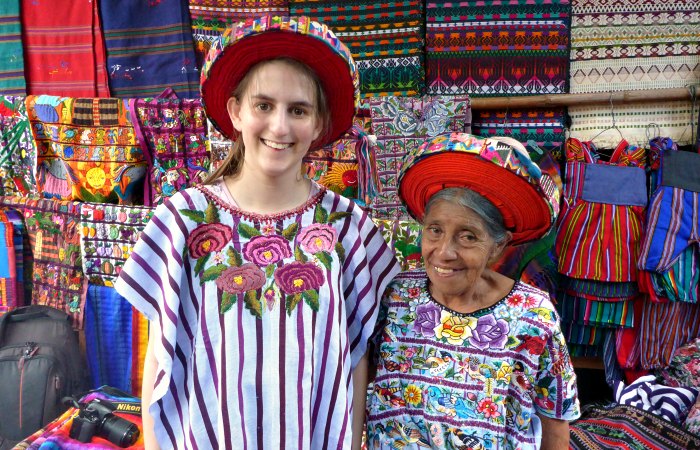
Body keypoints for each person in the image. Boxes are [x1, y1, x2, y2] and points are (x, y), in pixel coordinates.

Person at [115, 16, 400, 449]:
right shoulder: (183, 221)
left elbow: (355, 356)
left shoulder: (347, 229)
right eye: (264, 105)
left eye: (298, 110)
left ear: (319, 123)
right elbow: (159, 357)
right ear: (236, 112)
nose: (280, 127)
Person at [366, 132, 580, 449]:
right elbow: (362, 374)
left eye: (467, 237)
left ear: (498, 246)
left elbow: (556, 421)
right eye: (435, 230)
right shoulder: (396, 296)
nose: (444, 251)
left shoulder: (532, 315)